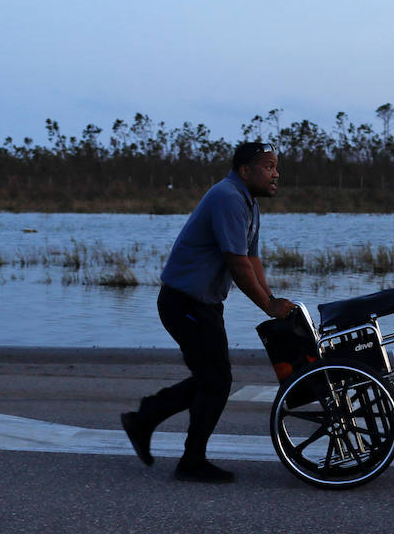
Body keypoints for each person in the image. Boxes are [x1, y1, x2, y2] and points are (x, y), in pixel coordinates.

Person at [121, 141, 296, 483]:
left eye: (277, 166)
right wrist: (268, 306)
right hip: (183, 303)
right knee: (215, 379)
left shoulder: (248, 202)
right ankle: (189, 459)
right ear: (246, 171)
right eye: (270, 167)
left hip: (204, 304)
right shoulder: (228, 197)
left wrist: (273, 300)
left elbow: (252, 260)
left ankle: (145, 419)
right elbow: (237, 264)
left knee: (211, 377)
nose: (276, 174)